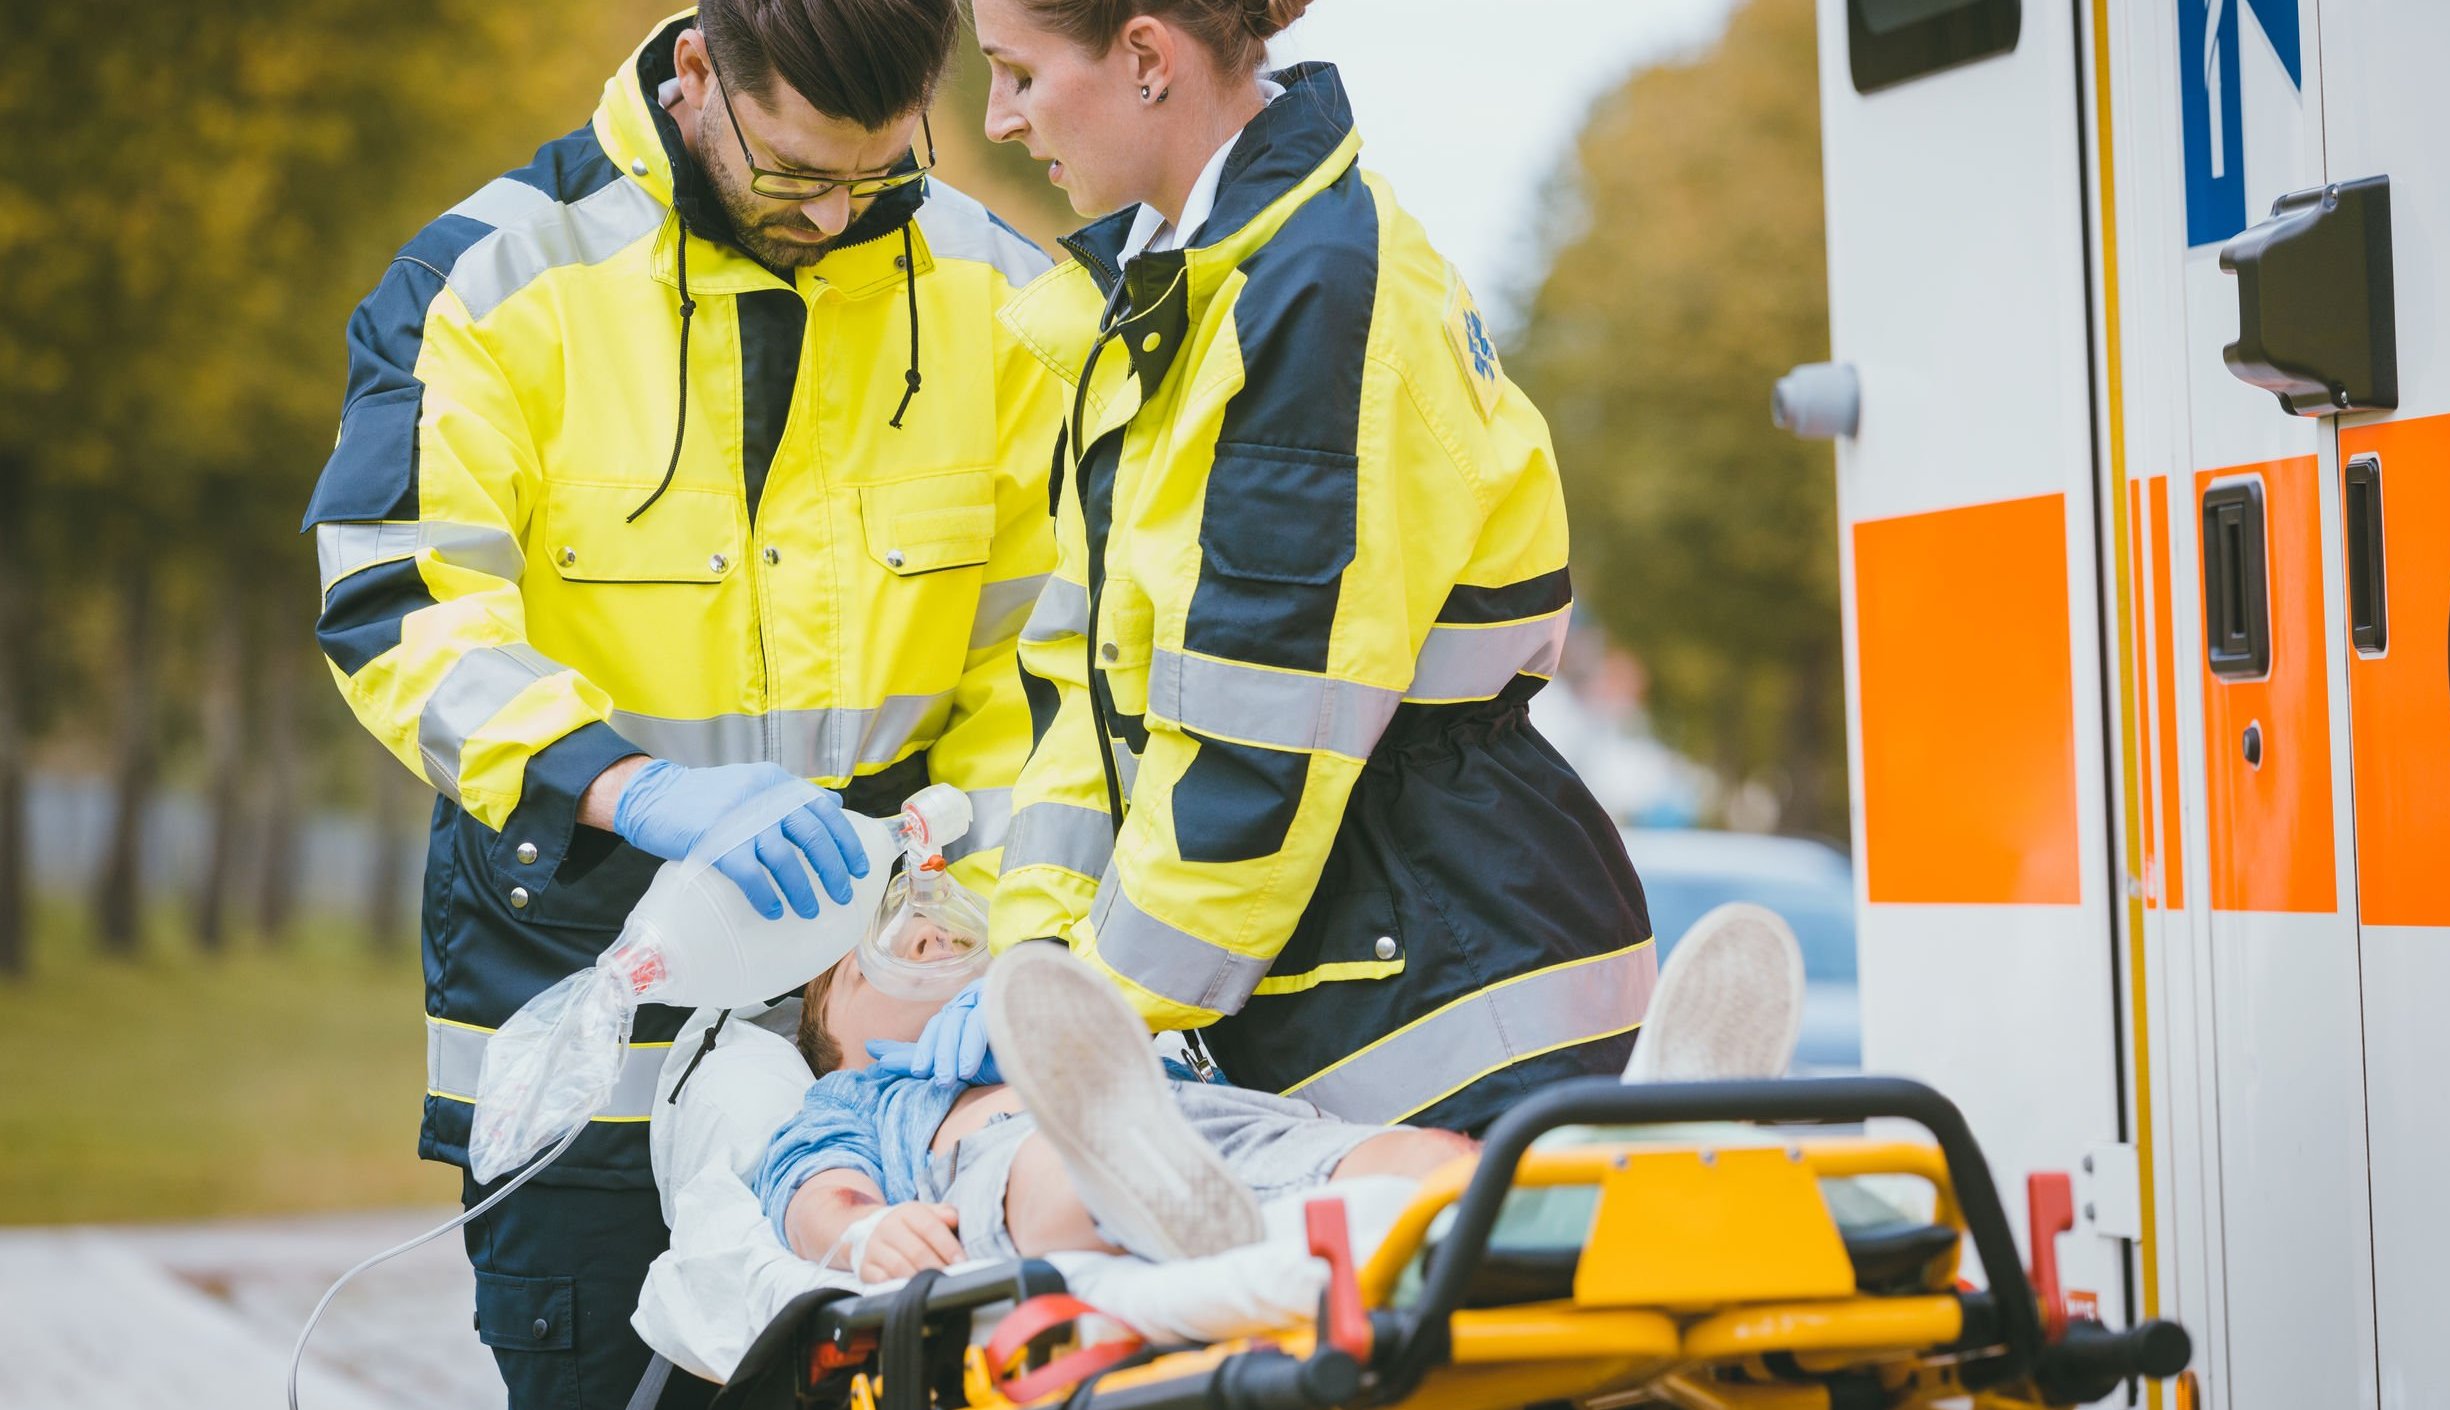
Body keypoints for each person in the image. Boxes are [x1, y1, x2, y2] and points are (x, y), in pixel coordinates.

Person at [301, 1, 1062, 1402]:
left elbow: (1049, 674)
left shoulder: (1009, 300)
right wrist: (623, 782)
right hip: (587, 1031)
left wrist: (990, 934)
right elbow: (399, 601)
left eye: (879, 171)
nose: (834, 216)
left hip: (887, 1069)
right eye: (794, 173)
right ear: (698, 70)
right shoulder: (487, 278)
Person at [939, 0, 1659, 1135]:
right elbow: (1083, 699)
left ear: (1142, 58)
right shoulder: (1175, 297)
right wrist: (1032, 967)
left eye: (1019, 75)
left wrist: (1078, 1014)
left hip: (1460, 1018)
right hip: (1376, 996)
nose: (1000, 120)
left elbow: (1253, 749)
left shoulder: (1315, 294)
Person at [753, 904, 1805, 1278]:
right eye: (870, 964)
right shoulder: (858, 1103)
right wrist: (857, 1236)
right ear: (833, 1040)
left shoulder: (1078, 1022)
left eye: (947, 933)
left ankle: (1639, 1156)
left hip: (1201, 1120)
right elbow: (813, 1191)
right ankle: (1138, 1190)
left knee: (1417, 1165)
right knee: (1051, 1173)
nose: (929, 939)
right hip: (1017, 1153)